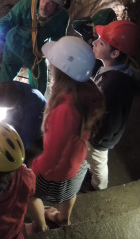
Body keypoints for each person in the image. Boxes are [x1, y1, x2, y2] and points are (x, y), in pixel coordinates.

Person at [30, 36, 105, 227]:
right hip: (79, 163)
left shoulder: (65, 110)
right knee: (71, 193)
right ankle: (64, 219)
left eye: (52, 62)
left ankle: (39, 227)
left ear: (61, 70)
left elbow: (53, 155)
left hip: (56, 171)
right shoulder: (88, 91)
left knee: (31, 195)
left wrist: (34, 170)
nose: (49, 65)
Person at [85, 20, 140, 191]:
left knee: (98, 162)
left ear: (115, 53)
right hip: (98, 130)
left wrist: (95, 137)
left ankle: (99, 186)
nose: (94, 42)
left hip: (100, 138)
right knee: (93, 159)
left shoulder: (114, 87)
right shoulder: (117, 71)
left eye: (101, 42)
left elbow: (111, 122)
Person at [0, 0, 70, 95]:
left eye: (50, 3)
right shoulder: (26, 6)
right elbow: (7, 21)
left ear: (58, 6)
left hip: (35, 54)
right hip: (14, 46)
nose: (43, 6)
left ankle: (34, 107)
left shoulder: (61, 17)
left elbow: (58, 41)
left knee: (39, 85)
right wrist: (0, 33)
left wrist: (55, 59)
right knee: (4, 82)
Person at [0, 81, 46, 153]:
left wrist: (12, 151)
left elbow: (26, 138)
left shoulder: (33, 107)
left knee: (28, 144)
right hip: (22, 109)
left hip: (41, 122)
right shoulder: (8, 88)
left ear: (15, 103)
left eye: (5, 108)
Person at [72, 8, 117, 75]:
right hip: (84, 65)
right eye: (95, 26)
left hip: (96, 70)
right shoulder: (88, 32)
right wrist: (89, 19)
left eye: (100, 29)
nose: (95, 31)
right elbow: (75, 25)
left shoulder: (108, 42)